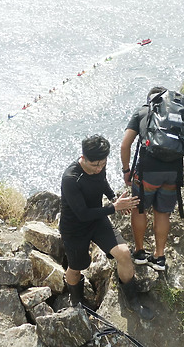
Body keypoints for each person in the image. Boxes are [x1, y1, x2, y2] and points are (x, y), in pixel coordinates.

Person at [59, 134, 154, 320]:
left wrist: (113, 198)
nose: (99, 168)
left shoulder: (99, 166)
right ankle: (77, 301)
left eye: (103, 164)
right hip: (75, 227)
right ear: (83, 157)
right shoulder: (71, 178)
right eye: (95, 165)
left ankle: (132, 300)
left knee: (124, 253)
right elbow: (82, 214)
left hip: (97, 220)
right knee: (77, 267)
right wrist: (114, 208)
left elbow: (102, 182)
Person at [120, 87, 184, 272]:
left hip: (147, 171)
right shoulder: (178, 113)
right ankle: (159, 256)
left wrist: (126, 171)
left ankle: (140, 253)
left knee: (140, 209)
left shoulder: (143, 111)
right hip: (173, 172)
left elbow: (125, 145)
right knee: (162, 213)